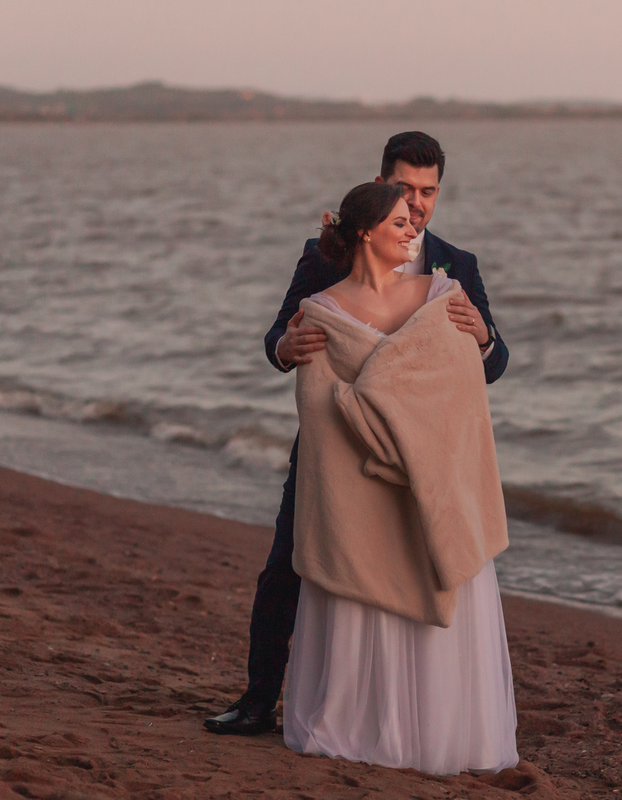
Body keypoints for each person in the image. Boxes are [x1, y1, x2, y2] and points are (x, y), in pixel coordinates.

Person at [205, 132, 508, 736]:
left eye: (428, 193)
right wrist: (284, 348)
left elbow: (492, 368)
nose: (417, 205)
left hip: (421, 454)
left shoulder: (456, 266)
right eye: (405, 190)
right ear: (380, 184)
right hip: (333, 448)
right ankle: (259, 698)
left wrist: (483, 338)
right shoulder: (324, 258)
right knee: (287, 564)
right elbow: (279, 336)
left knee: (419, 565)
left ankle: (408, 708)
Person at [281, 181, 517, 774]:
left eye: (416, 217)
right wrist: (290, 350)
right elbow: (317, 406)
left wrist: (408, 421)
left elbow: (464, 388)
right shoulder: (321, 312)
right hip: (358, 490)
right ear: (365, 233)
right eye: (399, 221)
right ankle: (333, 719)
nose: (414, 229)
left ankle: (440, 732)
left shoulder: (444, 293)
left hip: (434, 483)